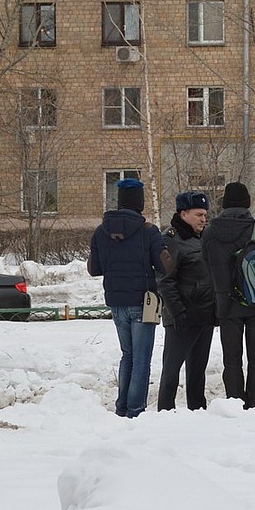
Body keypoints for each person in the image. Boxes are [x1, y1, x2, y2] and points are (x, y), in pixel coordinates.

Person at [88, 178, 171, 418]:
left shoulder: (101, 230)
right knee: (142, 359)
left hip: (115, 302)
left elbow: (94, 269)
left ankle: (122, 407)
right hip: (143, 302)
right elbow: (165, 267)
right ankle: (135, 410)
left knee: (128, 355)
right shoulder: (148, 231)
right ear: (140, 201)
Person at [201, 182, 255, 409]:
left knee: (231, 358)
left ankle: (234, 402)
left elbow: (205, 265)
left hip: (226, 303)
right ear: (247, 203)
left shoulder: (209, 233)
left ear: (224, 204)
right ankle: (254, 402)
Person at [156, 191, 214, 411]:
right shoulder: (170, 240)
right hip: (182, 316)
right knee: (171, 370)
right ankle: (165, 412)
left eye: (205, 214)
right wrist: (177, 311)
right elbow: (165, 280)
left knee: (198, 371)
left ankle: (197, 410)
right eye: (198, 214)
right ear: (183, 214)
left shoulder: (203, 238)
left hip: (204, 314)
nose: (203, 218)